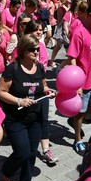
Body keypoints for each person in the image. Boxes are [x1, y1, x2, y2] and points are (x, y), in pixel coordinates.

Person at [0, 34, 54, 181]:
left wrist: (49, 91)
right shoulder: (13, 69)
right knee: (21, 152)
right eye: (33, 50)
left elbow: (43, 85)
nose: (37, 52)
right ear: (23, 51)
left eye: (38, 49)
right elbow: (0, 91)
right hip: (15, 119)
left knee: (31, 153)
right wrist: (18, 101)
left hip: (34, 118)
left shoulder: (40, 68)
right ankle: (6, 172)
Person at [67, 1, 91, 154]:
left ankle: (77, 118)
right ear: (90, 15)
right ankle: (78, 139)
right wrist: (76, 84)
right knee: (80, 112)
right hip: (83, 80)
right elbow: (72, 58)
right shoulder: (79, 32)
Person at [24, 20, 57, 164]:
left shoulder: (42, 45)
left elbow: (43, 70)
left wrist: (46, 87)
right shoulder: (23, 47)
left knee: (44, 118)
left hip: (41, 88)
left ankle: (45, 150)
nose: (39, 32)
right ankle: (25, 149)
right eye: (36, 30)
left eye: (41, 30)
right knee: (28, 119)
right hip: (27, 89)